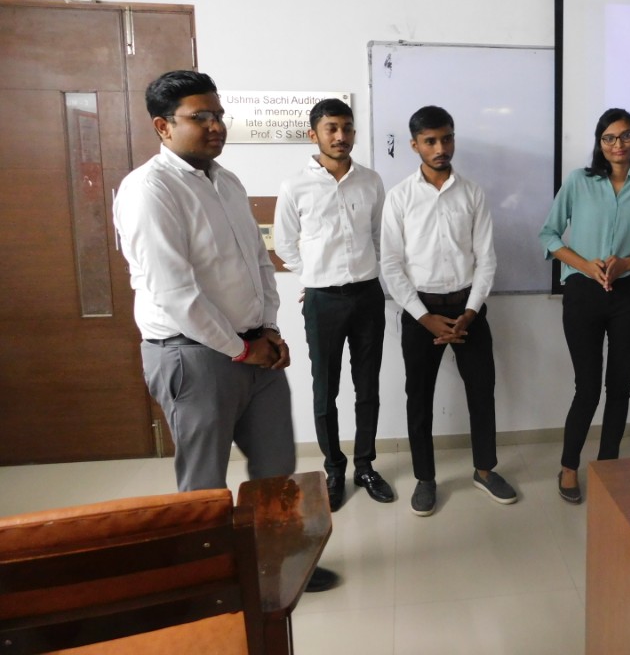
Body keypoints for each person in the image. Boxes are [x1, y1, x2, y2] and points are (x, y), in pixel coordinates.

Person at [113, 70, 338, 592]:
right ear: (163, 126)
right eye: (201, 117)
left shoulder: (226, 181)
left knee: (277, 469)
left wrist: (269, 330)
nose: (216, 126)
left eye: (218, 115)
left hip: (254, 349)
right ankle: (209, 581)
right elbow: (175, 292)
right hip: (192, 356)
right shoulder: (150, 190)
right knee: (205, 483)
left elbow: (258, 262)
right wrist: (240, 348)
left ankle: (279, 567)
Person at [380, 105, 518, 517]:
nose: (440, 148)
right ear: (414, 145)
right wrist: (424, 317)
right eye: (430, 141)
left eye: (447, 138)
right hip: (420, 312)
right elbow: (391, 264)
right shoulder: (399, 197)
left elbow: (486, 258)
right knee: (419, 397)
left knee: (482, 391)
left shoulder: (472, 193)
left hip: (468, 309)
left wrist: (470, 312)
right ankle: (425, 478)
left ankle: (485, 469)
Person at [539, 108, 630, 504]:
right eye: (610, 138)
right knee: (587, 388)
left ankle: (608, 466)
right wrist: (585, 264)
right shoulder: (578, 182)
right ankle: (569, 466)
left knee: (620, 385)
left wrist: (628, 263)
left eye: (626, 135)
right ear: (600, 143)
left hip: (629, 295)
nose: (619, 144)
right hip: (582, 292)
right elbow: (548, 234)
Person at [273, 98, 393, 511]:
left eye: (347, 128)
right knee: (325, 388)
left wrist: (376, 273)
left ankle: (365, 465)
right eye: (331, 129)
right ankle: (334, 469)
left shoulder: (371, 181)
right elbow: (285, 243)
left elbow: (379, 236)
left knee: (368, 386)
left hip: (367, 296)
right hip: (322, 300)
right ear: (314, 134)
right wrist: (313, 276)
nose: (341, 136)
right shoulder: (295, 186)